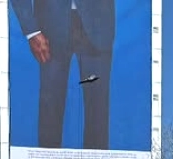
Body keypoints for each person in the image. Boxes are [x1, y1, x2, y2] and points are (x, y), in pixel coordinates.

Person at [9, 0, 115, 151]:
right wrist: (31, 31)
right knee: (50, 112)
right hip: (50, 25)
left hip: (98, 24)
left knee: (98, 113)